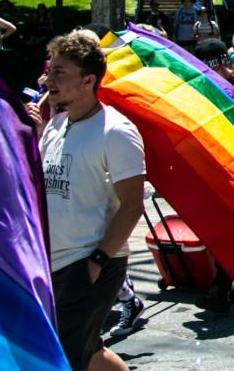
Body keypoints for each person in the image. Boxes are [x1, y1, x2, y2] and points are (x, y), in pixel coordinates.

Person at [25, 30, 146, 371]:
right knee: (88, 350)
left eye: (59, 72)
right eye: (50, 71)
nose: (49, 79)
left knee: (65, 356)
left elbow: (133, 205)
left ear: (88, 80)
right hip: (52, 262)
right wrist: (33, 137)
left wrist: (96, 261)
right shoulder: (56, 125)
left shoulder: (116, 131)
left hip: (90, 262)